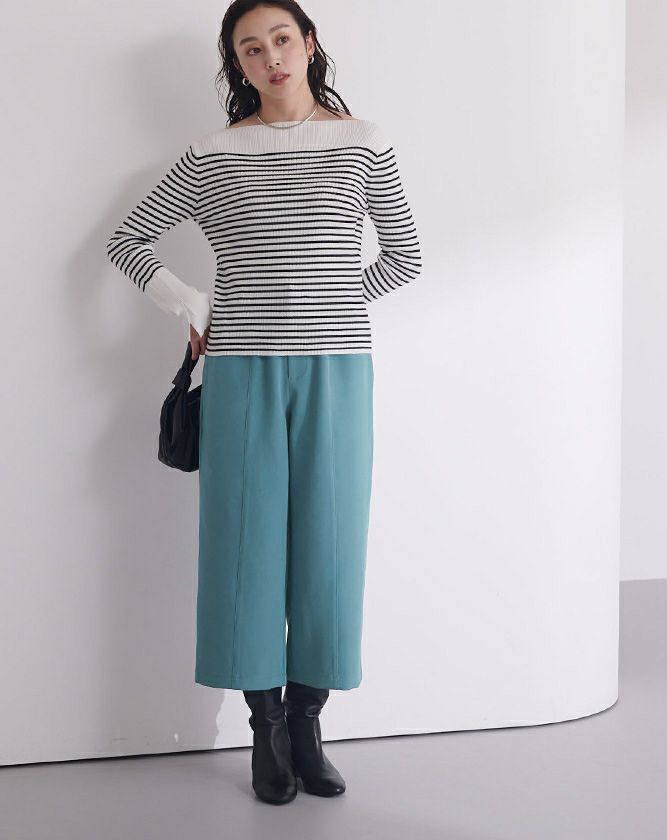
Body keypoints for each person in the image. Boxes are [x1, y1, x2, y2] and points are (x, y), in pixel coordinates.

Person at [107, 0, 421, 805]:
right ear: (237, 65)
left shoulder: (364, 142)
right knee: (244, 548)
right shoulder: (213, 154)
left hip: (337, 371)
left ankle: (308, 722)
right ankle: (265, 728)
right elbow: (127, 240)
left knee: (330, 542)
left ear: (309, 44)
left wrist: (329, 304)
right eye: (251, 48)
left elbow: (405, 256)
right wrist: (192, 303)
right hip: (241, 372)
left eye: (282, 39)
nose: (270, 56)